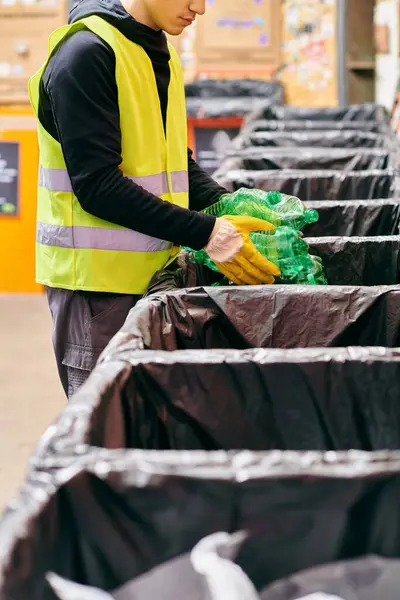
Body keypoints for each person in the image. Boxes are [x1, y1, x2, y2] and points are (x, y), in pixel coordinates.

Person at [29, 0, 280, 399]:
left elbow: (171, 158)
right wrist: (207, 233)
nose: (199, 8)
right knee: (114, 429)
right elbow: (97, 186)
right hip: (97, 293)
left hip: (156, 279)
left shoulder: (156, 50)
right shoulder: (85, 55)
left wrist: (224, 204)